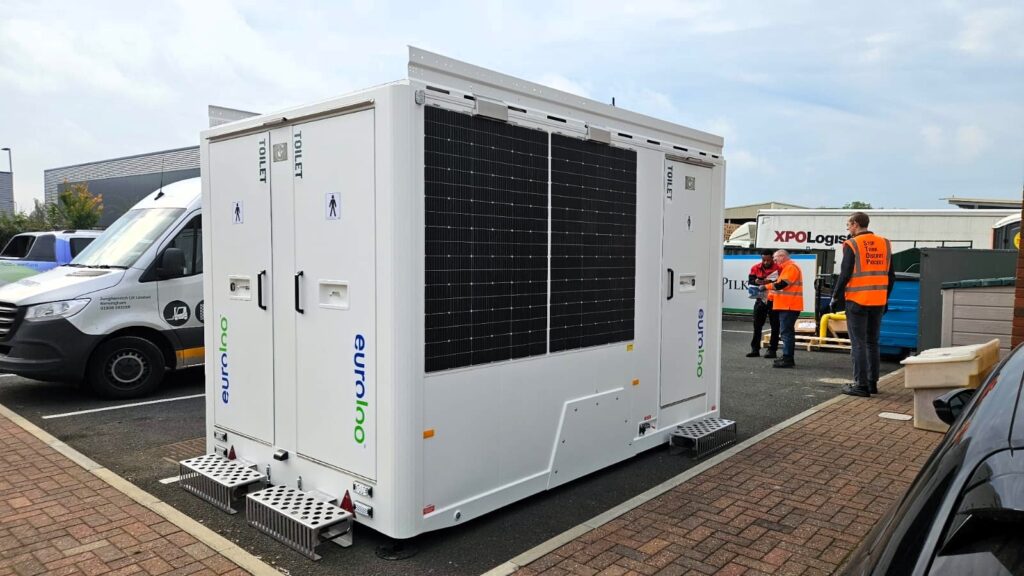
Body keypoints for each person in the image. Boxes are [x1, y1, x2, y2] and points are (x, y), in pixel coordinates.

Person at [831, 212, 895, 397]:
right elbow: (891, 276)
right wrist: (885, 298)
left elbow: (845, 274)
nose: (848, 229)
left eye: (848, 225)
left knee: (858, 343)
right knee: (872, 342)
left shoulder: (852, 244)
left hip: (857, 300)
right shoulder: (885, 243)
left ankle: (860, 385)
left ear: (856, 224)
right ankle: (872, 383)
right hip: (878, 301)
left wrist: (835, 297)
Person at [761, 250, 803, 368]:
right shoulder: (787, 268)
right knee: (786, 332)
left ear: (782, 257)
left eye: (775, 259)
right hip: (787, 305)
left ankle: (788, 358)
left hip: (789, 306)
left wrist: (765, 286)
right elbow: (781, 286)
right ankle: (786, 357)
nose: (774, 262)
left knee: (786, 332)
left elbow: (781, 285)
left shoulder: (790, 268)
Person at [746, 249, 781, 358]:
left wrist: (767, 282)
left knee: (775, 326)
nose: (765, 262)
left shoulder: (778, 268)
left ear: (772, 258)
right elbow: (750, 281)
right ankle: (755, 349)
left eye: (768, 260)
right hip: (760, 300)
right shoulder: (755, 267)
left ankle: (772, 350)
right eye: (763, 260)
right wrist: (756, 281)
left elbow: (780, 283)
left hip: (774, 300)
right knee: (757, 325)